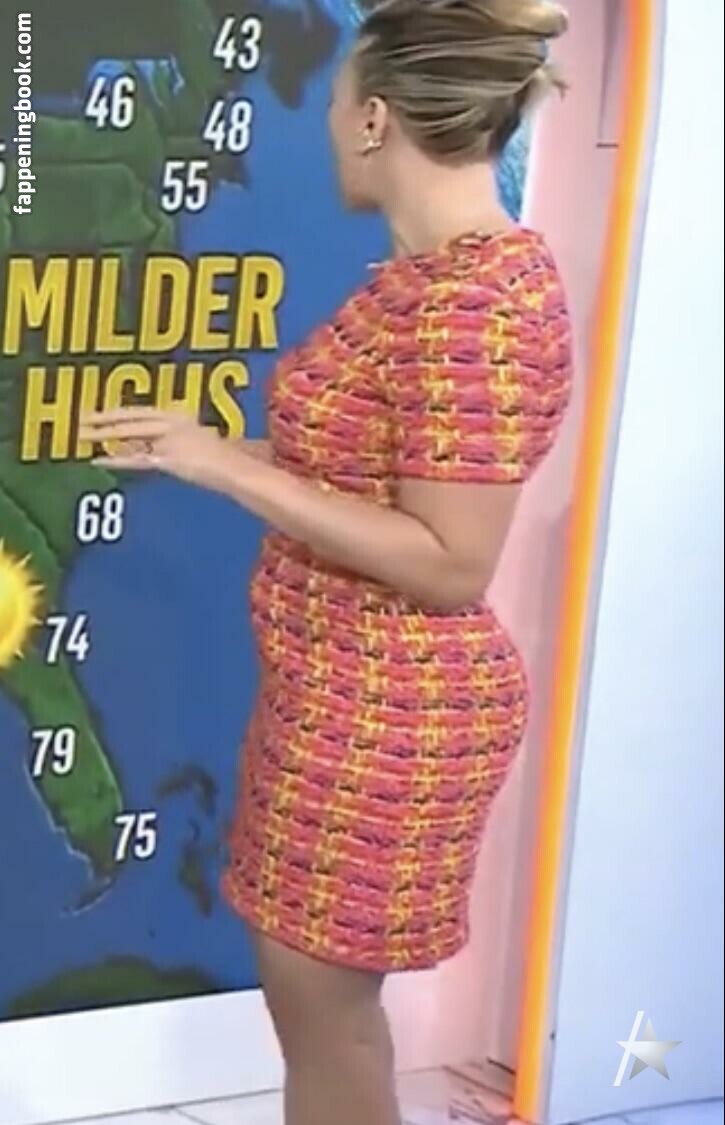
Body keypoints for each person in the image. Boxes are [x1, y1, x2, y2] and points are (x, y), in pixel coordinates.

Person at [80, 1, 573, 1122]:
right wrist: (207, 446)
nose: (326, 124)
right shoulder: (429, 279)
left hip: (389, 716)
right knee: (318, 1017)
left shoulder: (473, 305)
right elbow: (362, 476)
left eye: (338, 101)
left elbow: (449, 561)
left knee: (327, 1024)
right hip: (332, 693)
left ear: (375, 120)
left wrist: (226, 469)